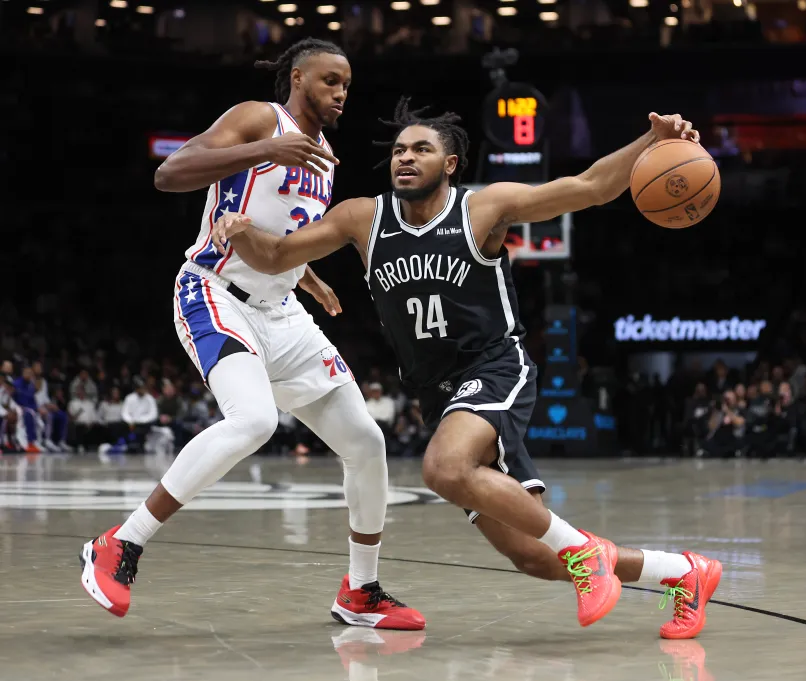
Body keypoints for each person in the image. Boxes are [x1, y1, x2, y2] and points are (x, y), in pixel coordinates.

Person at [211, 98, 723, 638]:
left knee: (444, 470)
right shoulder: (362, 218)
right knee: (532, 555)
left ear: (450, 163)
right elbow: (273, 257)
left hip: (496, 366)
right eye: (400, 150)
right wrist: (238, 226)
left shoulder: (483, 208)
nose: (406, 158)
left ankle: (586, 553)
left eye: (422, 149)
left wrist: (652, 142)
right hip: (440, 395)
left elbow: (592, 186)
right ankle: (684, 572)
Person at [78, 38, 424, 630]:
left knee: (367, 443)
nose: (341, 93)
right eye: (330, 81)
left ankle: (360, 591)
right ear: (297, 78)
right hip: (214, 292)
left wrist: (307, 275)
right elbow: (170, 174)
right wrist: (267, 146)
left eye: (347, 85)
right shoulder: (261, 119)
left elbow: (281, 228)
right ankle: (119, 543)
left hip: (282, 309)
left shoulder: (323, 153)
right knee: (255, 421)